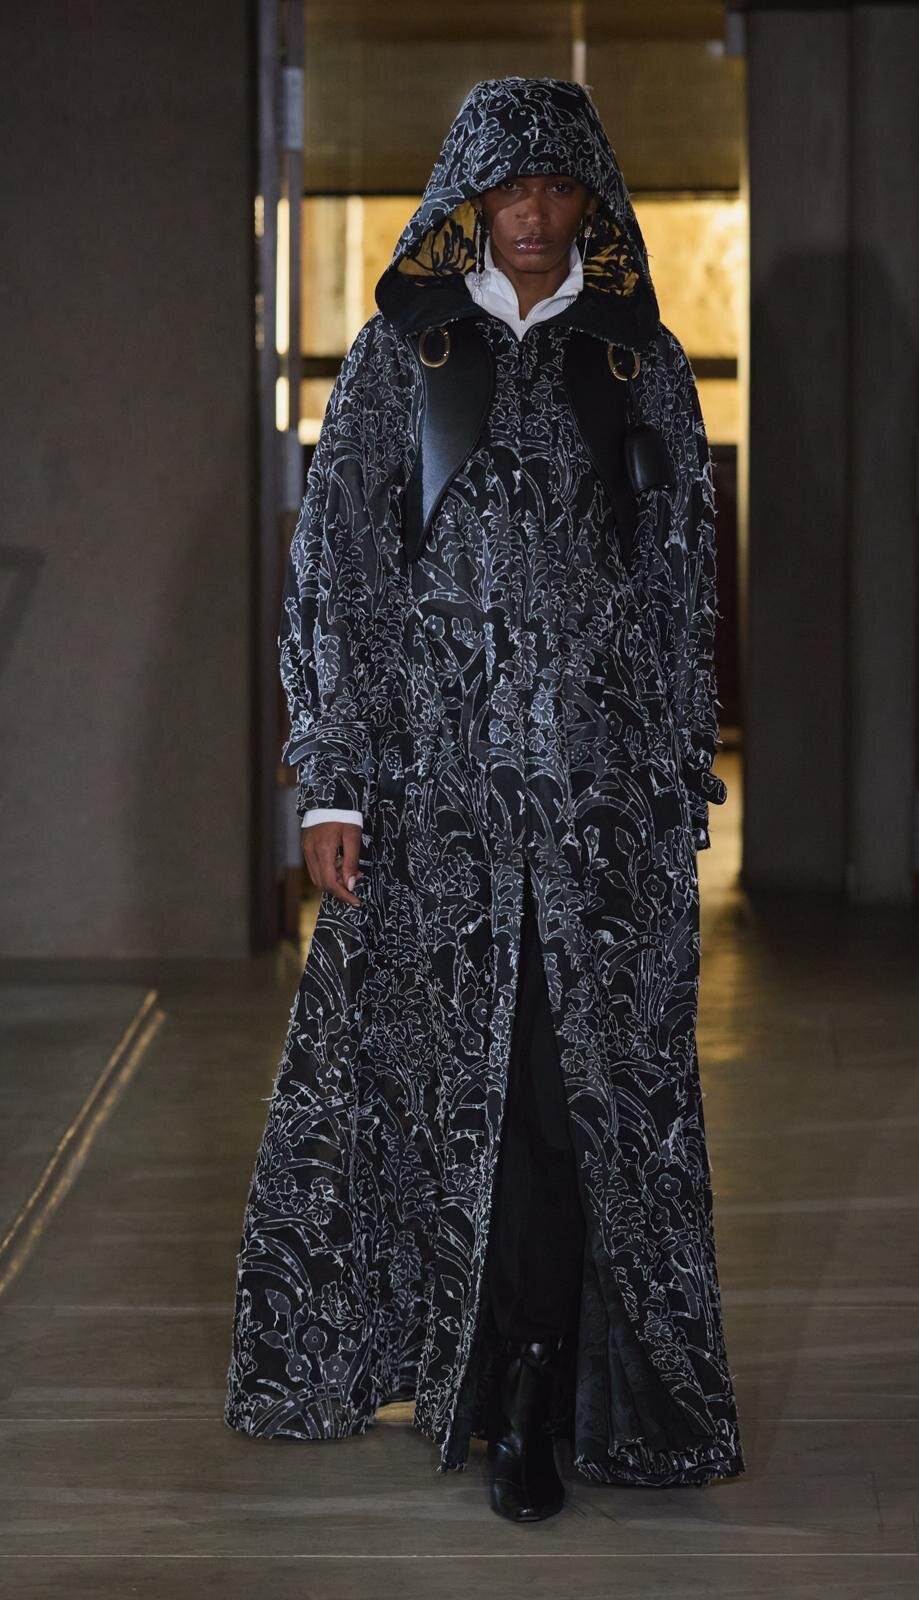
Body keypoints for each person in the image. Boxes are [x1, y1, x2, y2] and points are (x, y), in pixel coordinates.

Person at [224, 75, 744, 1522]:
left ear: (592, 200)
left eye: (558, 186)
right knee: (460, 1086)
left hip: (596, 813)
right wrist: (334, 782)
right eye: (509, 186)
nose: (532, 213)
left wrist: (673, 784)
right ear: (470, 195)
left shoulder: (641, 360)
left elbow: (680, 588)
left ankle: (553, 1380)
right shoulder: (403, 354)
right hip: (435, 803)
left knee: (583, 1099)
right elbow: (340, 572)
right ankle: (497, 1377)